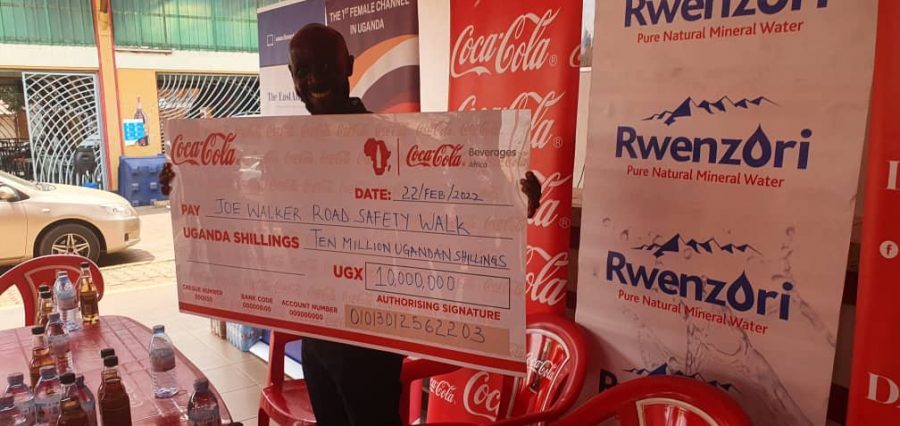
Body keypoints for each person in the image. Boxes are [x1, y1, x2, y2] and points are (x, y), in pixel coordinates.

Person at [161, 23, 541, 426]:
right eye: (302, 70)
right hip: (315, 329)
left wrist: (511, 203)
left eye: (325, 65)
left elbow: (454, 209)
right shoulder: (281, 151)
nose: (314, 78)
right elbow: (247, 215)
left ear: (349, 66)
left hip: (371, 337)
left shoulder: (395, 145)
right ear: (291, 78)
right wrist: (187, 185)